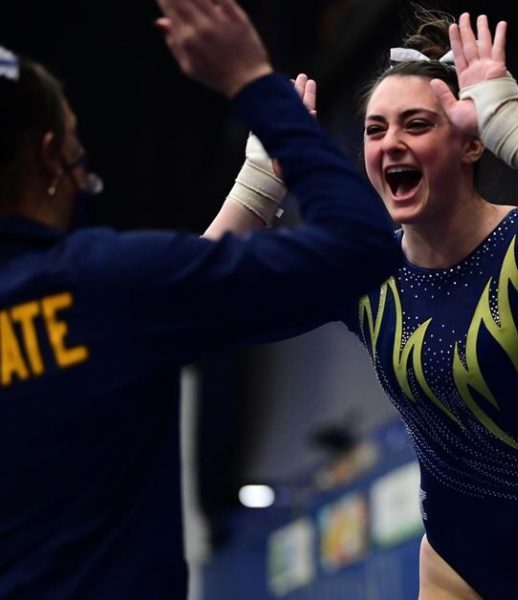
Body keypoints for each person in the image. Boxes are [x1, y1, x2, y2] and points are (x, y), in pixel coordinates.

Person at [212, 6, 518, 599]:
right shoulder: (366, 275)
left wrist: (516, 125)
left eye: (416, 125)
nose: (391, 143)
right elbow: (189, 303)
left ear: (471, 143)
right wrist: (257, 187)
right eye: (375, 130)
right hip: (455, 569)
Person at [0, 0, 402, 596]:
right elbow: (359, 248)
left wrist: (256, 188)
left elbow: (165, 311)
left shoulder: (115, 295)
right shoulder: (103, 282)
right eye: (79, 155)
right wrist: (254, 86)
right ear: (50, 157)